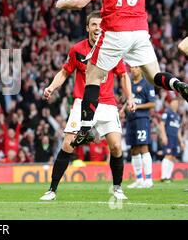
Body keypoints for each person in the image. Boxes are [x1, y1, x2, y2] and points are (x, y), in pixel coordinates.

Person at [55, 0, 188, 150]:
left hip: (116, 32)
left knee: (93, 75)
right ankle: (178, 85)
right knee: (154, 77)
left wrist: (62, 3)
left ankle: (85, 127)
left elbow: (80, 2)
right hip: (140, 32)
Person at [40, 11, 134, 201]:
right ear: (87, 28)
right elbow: (65, 72)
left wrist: (129, 97)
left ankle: (117, 188)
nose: (97, 28)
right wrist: (51, 87)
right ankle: (52, 190)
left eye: (100, 24)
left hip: (107, 103)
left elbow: (123, 75)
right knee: (68, 144)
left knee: (116, 146)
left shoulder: (113, 49)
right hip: (82, 102)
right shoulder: (77, 49)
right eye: (93, 25)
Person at [126, 67, 156, 189]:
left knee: (143, 147)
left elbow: (152, 103)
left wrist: (137, 107)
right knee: (133, 149)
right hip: (130, 120)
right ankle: (139, 179)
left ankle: (148, 179)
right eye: (132, 67)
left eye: (136, 67)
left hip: (142, 119)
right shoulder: (129, 84)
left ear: (141, 70)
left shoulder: (147, 84)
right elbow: (128, 100)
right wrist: (123, 110)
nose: (133, 70)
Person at [158, 97, 185, 182]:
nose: (175, 104)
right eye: (174, 103)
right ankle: (163, 177)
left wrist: (181, 142)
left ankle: (168, 176)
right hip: (168, 137)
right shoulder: (167, 112)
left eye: (176, 103)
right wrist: (164, 136)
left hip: (175, 139)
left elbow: (178, 131)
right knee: (168, 155)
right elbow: (162, 124)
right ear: (170, 103)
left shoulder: (177, 116)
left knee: (173, 157)